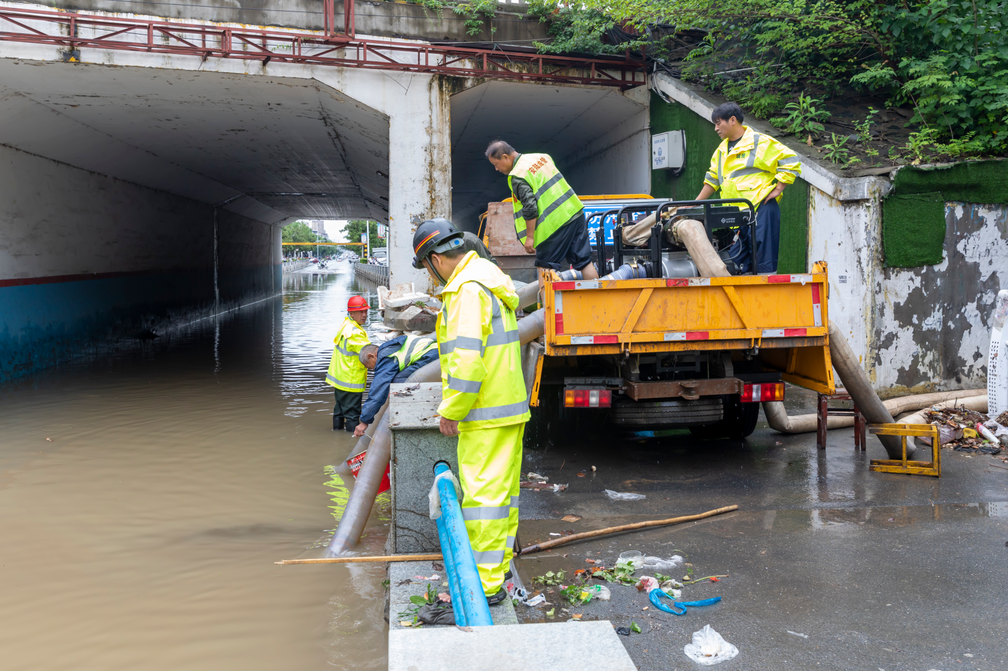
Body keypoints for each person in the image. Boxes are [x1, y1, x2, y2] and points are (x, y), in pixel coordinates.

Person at [412, 217, 530, 605]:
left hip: (484, 414)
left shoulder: (464, 290)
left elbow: (466, 362)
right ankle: (496, 573)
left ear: (434, 259)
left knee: (483, 504)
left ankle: (484, 586)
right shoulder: (489, 278)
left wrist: (451, 410)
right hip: (507, 408)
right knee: (501, 500)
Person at [695, 102, 801, 274]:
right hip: (737, 216)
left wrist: (779, 188)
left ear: (732, 120)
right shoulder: (721, 151)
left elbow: (791, 160)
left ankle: (765, 297)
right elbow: (712, 180)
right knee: (739, 265)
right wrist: (694, 203)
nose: (715, 128)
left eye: (718, 123)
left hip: (760, 209)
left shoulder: (759, 142)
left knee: (763, 265)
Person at [485, 141, 600, 284]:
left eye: (496, 164)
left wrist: (530, 237)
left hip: (553, 225)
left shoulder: (518, 175)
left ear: (505, 157)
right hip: (574, 213)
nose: (496, 169)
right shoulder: (541, 157)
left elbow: (530, 207)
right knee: (584, 262)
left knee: (545, 268)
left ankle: (548, 306)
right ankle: (600, 302)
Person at [352, 334, 440, 437]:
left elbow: (377, 391)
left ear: (371, 356)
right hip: (436, 350)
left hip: (430, 355)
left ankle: (409, 416)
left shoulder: (385, 358)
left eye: (370, 367)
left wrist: (364, 422)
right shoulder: (390, 348)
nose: (373, 369)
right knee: (395, 383)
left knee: (397, 382)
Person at [325, 295, 371, 432]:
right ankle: (351, 442)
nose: (364, 315)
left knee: (339, 410)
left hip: (340, 379)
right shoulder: (355, 333)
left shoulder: (346, 325)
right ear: (351, 313)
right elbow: (370, 353)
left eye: (366, 311)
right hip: (351, 381)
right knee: (352, 415)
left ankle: (337, 434)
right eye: (360, 312)